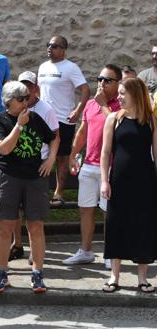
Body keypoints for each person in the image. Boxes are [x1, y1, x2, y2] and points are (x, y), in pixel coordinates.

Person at [0, 81, 56, 294]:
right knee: (5, 226)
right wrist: (19, 125)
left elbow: (54, 138)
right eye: (22, 98)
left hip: (34, 178)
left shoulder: (35, 118)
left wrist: (50, 160)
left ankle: (37, 274)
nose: (27, 102)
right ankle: (2, 273)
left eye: (28, 97)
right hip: (8, 177)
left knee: (36, 226)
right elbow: (5, 149)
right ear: (9, 101)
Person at [100, 78, 157, 293]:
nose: (119, 97)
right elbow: (106, 153)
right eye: (119, 93)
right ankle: (114, 276)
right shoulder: (114, 119)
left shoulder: (150, 120)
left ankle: (143, 278)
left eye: (123, 93)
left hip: (145, 181)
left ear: (136, 94)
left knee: (144, 226)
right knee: (116, 225)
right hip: (119, 182)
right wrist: (104, 181)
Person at [63, 65, 121, 269]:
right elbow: (82, 132)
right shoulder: (89, 104)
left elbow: (117, 129)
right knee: (85, 209)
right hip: (88, 164)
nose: (102, 83)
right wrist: (72, 155)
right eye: (100, 79)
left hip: (111, 167)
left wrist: (104, 104)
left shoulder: (121, 105)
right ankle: (86, 251)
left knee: (109, 212)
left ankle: (110, 252)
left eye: (108, 80)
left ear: (118, 84)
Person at [11, 71, 60, 261]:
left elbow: (56, 136)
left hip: (38, 165)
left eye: (29, 86)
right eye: (22, 85)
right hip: (18, 164)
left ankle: (35, 251)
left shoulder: (45, 110)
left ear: (35, 88)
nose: (26, 89)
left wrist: (50, 160)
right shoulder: (14, 108)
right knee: (14, 210)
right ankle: (17, 244)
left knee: (34, 212)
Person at [37, 36, 90, 206]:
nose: (50, 48)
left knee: (62, 157)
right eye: (48, 45)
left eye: (54, 46)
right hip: (43, 119)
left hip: (63, 120)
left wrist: (77, 110)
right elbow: (39, 91)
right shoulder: (43, 67)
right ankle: (39, 191)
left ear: (63, 49)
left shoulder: (70, 68)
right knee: (41, 154)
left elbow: (85, 90)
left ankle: (58, 193)